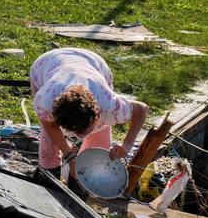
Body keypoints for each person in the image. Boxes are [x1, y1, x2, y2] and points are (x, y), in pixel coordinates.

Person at [30, 47, 148, 175]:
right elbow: (50, 125)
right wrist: (68, 153)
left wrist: (127, 145)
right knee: (48, 137)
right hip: (47, 63)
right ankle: (49, 171)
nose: (79, 136)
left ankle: (90, 168)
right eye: (72, 130)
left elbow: (142, 110)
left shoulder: (110, 107)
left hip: (93, 62)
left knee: (101, 129)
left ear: (96, 115)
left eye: (83, 130)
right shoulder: (46, 101)